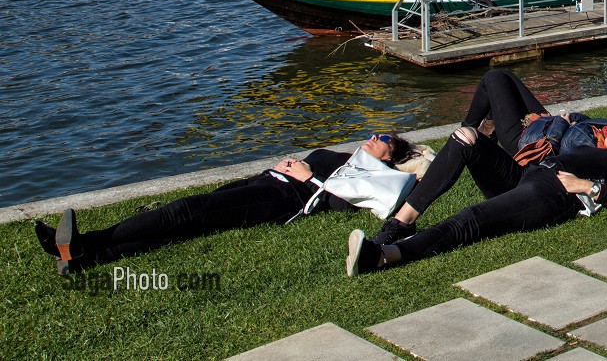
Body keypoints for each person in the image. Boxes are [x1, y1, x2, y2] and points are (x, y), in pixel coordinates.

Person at [345, 70, 607, 276]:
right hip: (529, 175)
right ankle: (399, 224)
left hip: (550, 194)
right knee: (466, 138)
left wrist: (587, 187)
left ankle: (385, 256)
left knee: (472, 218)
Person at [35, 133, 427, 276]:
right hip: (264, 182)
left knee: (184, 212)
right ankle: (85, 262)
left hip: (276, 199)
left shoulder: (369, 176)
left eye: (384, 141)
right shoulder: (341, 155)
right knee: (185, 227)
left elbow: (341, 205)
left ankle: (82, 242)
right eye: (377, 133)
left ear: (388, 158)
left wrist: (308, 178)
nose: (375, 137)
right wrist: (283, 166)